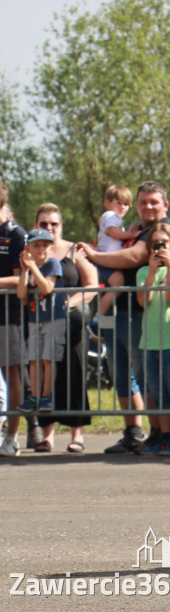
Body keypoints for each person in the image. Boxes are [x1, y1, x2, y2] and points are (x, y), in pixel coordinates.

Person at [76, 181, 170, 454]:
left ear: (165, 205)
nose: (148, 206)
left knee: (144, 375)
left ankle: (159, 432)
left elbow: (133, 257)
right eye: (143, 202)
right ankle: (133, 432)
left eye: (154, 202)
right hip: (116, 310)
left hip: (142, 314)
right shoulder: (134, 229)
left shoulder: (163, 230)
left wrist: (94, 255)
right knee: (120, 374)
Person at [32, 204, 98, 454]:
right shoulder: (31, 251)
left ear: (61, 225)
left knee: (74, 374)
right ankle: (46, 435)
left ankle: (77, 434)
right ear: (35, 225)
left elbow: (92, 285)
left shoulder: (73, 250)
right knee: (44, 378)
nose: (49, 228)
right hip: (41, 323)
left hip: (71, 324)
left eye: (53, 224)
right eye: (43, 224)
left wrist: (69, 304)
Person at [135, 223, 170, 456]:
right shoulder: (142, 272)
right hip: (150, 339)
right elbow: (143, 301)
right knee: (158, 392)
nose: (159, 248)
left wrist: (168, 267)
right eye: (155, 244)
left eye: (164, 244)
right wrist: (150, 271)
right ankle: (166, 436)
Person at [16, 228, 65, 416]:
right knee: (34, 359)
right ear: (29, 248)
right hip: (35, 319)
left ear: (51, 247)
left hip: (53, 318)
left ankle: (46, 396)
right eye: (36, 245)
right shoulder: (30, 268)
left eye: (45, 245)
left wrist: (34, 268)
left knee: (48, 358)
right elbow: (21, 294)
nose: (41, 249)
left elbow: (47, 288)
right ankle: (34, 397)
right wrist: (24, 270)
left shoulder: (53, 263)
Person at [0, 180, 29, 457]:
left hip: (8, 316)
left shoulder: (15, 234)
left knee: (12, 375)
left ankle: (11, 436)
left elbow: (22, 277)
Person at [95, 184, 138, 316]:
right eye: (118, 203)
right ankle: (97, 317)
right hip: (107, 258)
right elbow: (112, 232)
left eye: (126, 204)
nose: (122, 207)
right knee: (118, 285)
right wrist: (132, 235)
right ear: (107, 202)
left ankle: (104, 318)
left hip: (111, 259)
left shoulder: (117, 220)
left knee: (115, 288)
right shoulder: (110, 215)